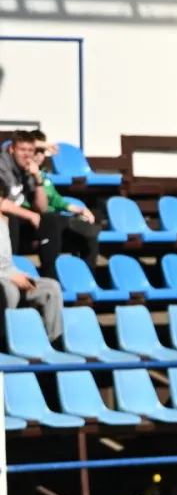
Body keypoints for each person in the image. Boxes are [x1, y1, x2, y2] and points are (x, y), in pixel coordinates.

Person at [1, 131, 78, 278]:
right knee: (9, 217)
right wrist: (30, 215)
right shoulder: (2, 167)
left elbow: (41, 208)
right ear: (12, 149)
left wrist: (37, 179)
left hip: (21, 219)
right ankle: (9, 275)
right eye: (22, 150)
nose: (27, 155)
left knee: (50, 219)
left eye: (30, 150)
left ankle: (49, 275)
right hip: (7, 219)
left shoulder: (28, 170)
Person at [29, 132, 101, 266]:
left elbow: (58, 201)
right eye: (36, 151)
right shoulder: (21, 174)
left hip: (53, 217)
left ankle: (88, 273)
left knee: (89, 230)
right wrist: (44, 145)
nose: (39, 156)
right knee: (54, 220)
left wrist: (81, 210)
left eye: (42, 152)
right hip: (36, 219)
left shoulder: (45, 178)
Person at [1, 206, 65, 341]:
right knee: (10, 291)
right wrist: (9, 276)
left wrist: (19, 274)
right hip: (4, 279)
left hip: (9, 274)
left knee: (51, 287)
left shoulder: (3, 224)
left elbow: (6, 262)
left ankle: (54, 341)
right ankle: (6, 340)